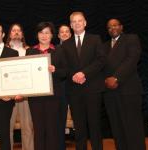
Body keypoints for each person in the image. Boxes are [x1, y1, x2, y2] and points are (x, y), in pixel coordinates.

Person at [60, 11, 105, 150]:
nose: (77, 23)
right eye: (74, 21)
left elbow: (101, 60)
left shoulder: (95, 39)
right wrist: (73, 75)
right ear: (71, 25)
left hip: (93, 89)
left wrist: (84, 73)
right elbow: (64, 66)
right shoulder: (65, 44)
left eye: (80, 21)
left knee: (95, 126)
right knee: (79, 127)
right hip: (74, 91)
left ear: (85, 23)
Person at [103, 18, 146, 150]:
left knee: (133, 127)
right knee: (117, 128)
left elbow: (132, 60)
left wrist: (116, 78)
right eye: (109, 27)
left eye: (115, 25)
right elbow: (100, 66)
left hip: (129, 91)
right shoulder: (104, 46)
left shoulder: (131, 39)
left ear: (121, 27)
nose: (113, 28)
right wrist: (105, 80)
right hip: (110, 93)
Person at [26, 21, 66, 150]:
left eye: (47, 33)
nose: (44, 36)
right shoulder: (30, 52)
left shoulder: (59, 51)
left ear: (52, 35)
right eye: (41, 33)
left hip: (54, 96)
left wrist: (56, 70)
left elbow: (66, 71)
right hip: (35, 97)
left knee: (52, 129)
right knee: (38, 129)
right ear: (37, 35)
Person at [5, 23, 34, 150]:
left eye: (19, 30)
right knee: (7, 127)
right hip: (7, 95)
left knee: (27, 127)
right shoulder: (2, 50)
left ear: (22, 34)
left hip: (26, 94)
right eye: (13, 30)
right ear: (9, 34)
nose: (16, 32)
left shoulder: (30, 50)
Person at [57, 24, 72, 150]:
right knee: (59, 122)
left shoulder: (78, 48)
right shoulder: (54, 50)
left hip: (76, 89)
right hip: (60, 91)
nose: (65, 34)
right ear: (58, 35)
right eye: (62, 32)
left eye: (67, 31)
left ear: (70, 34)